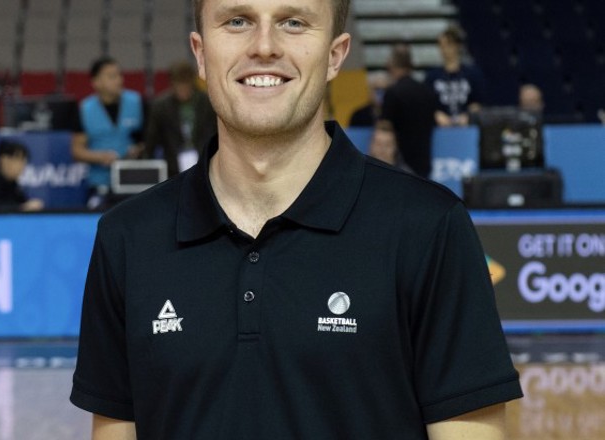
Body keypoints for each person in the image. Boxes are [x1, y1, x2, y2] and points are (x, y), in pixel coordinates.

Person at [71, 1, 522, 439]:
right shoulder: (127, 238)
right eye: (237, 20)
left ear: (335, 55)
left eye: (293, 22)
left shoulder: (429, 227)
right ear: (201, 53)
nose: (264, 45)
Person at [71, 57, 144, 207]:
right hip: (100, 183)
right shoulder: (85, 109)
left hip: (133, 182)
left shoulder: (137, 102)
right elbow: (77, 151)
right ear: (96, 82)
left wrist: (138, 149)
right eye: (112, 76)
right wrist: (100, 157)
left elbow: (148, 138)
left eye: (119, 75)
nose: (119, 80)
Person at [145, 60, 217, 177]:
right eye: (178, 85)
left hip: (204, 161)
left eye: (186, 85)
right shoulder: (161, 106)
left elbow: (216, 132)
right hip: (172, 164)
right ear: (172, 84)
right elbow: (152, 138)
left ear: (192, 84)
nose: (182, 90)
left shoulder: (208, 102)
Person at [379, 43, 437, 177]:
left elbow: (384, 128)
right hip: (424, 164)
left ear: (391, 64)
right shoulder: (426, 91)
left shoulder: (393, 93)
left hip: (400, 165)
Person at [425, 25, 486, 126]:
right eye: (441, 45)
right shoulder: (432, 76)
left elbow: (478, 102)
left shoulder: (472, 74)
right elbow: (427, 103)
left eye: (447, 45)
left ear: (456, 46)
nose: (443, 49)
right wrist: (436, 114)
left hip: (466, 126)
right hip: (441, 127)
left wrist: (468, 115)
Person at [0, 140, 44, 211]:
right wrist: (21, 208)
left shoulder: (14, 185)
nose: (22, 166)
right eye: (18, 160)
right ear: (4, 160)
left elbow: (22, 202)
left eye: (24, 162)